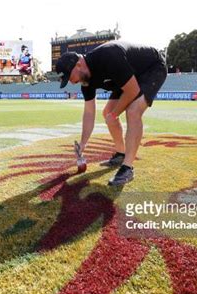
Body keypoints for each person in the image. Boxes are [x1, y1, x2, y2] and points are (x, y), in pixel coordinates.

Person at [56, 41, 167, 186]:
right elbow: (89, 112)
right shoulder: (85, 80)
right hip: (127, 75)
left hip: (151, 68)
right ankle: (121, 154)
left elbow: (132, 91)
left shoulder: (108, 56)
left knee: (133, 111)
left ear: (78, 64)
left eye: (70, 77)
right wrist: (83, 143)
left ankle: (127, 168)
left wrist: (115, 114)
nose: (71, 83)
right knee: (107, 112)